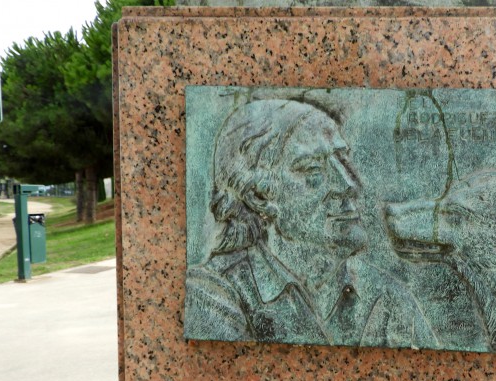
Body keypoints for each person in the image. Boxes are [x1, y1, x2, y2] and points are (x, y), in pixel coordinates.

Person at [185, 98, 438, 349]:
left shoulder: (388, 296)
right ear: (260, 196)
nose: (347, 185)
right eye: (313, 170)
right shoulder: (214, 295)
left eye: (343, 160)